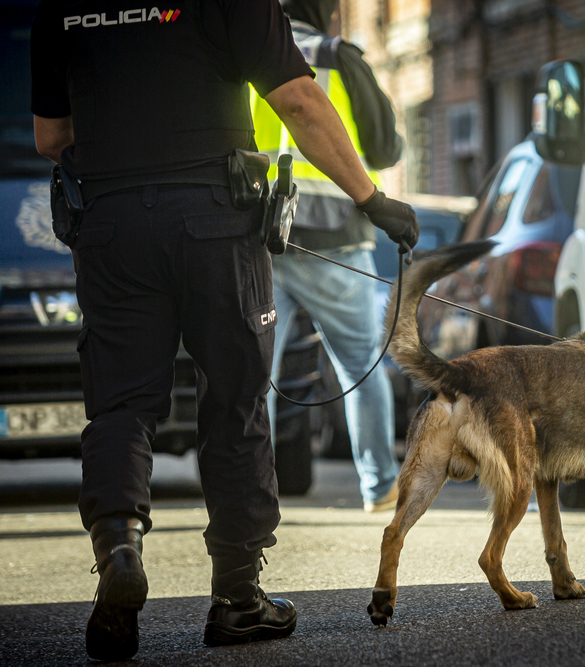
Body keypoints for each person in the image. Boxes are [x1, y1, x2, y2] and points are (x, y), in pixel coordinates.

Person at [29, 1, 418, 660]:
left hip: (112, 222)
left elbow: (50, 136)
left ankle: (120, 548)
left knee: (121, 403)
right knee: (235, 401)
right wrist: (372, 200)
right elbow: (299, 100)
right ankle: (238, 598)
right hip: (215, 218)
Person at [255, 0, 402, 513]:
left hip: (257, 239)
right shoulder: (337, 55)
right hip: (336, 239)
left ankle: (252, 492)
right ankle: (380, 485)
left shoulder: (240, 50)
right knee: (361, 365)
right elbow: (384, 151)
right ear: (328, 11)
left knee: (254, 374)